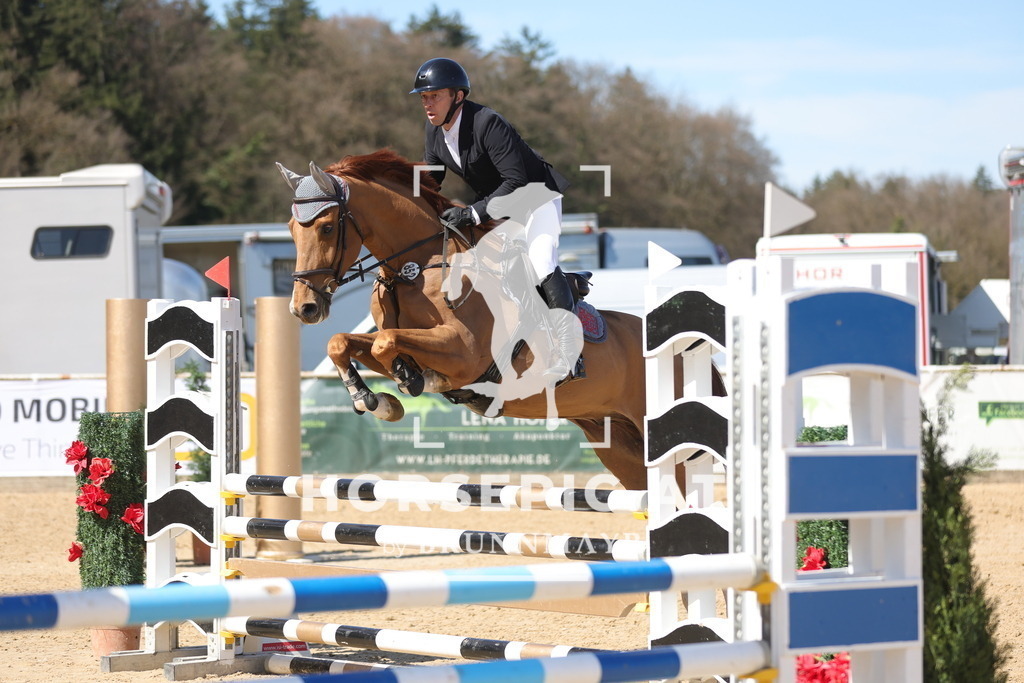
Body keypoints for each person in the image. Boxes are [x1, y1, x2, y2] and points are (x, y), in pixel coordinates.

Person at [410, 57, 584, 381]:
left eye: (435, 95)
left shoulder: (487, 122)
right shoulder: (434, 131)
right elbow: (432, 180)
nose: (428, 104)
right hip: (496, 206)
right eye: (424, 97)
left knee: (541, 261)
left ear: (458, 96)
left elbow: (516, 181)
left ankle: (569, 350)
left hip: (535, 198)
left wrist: (473, 212)